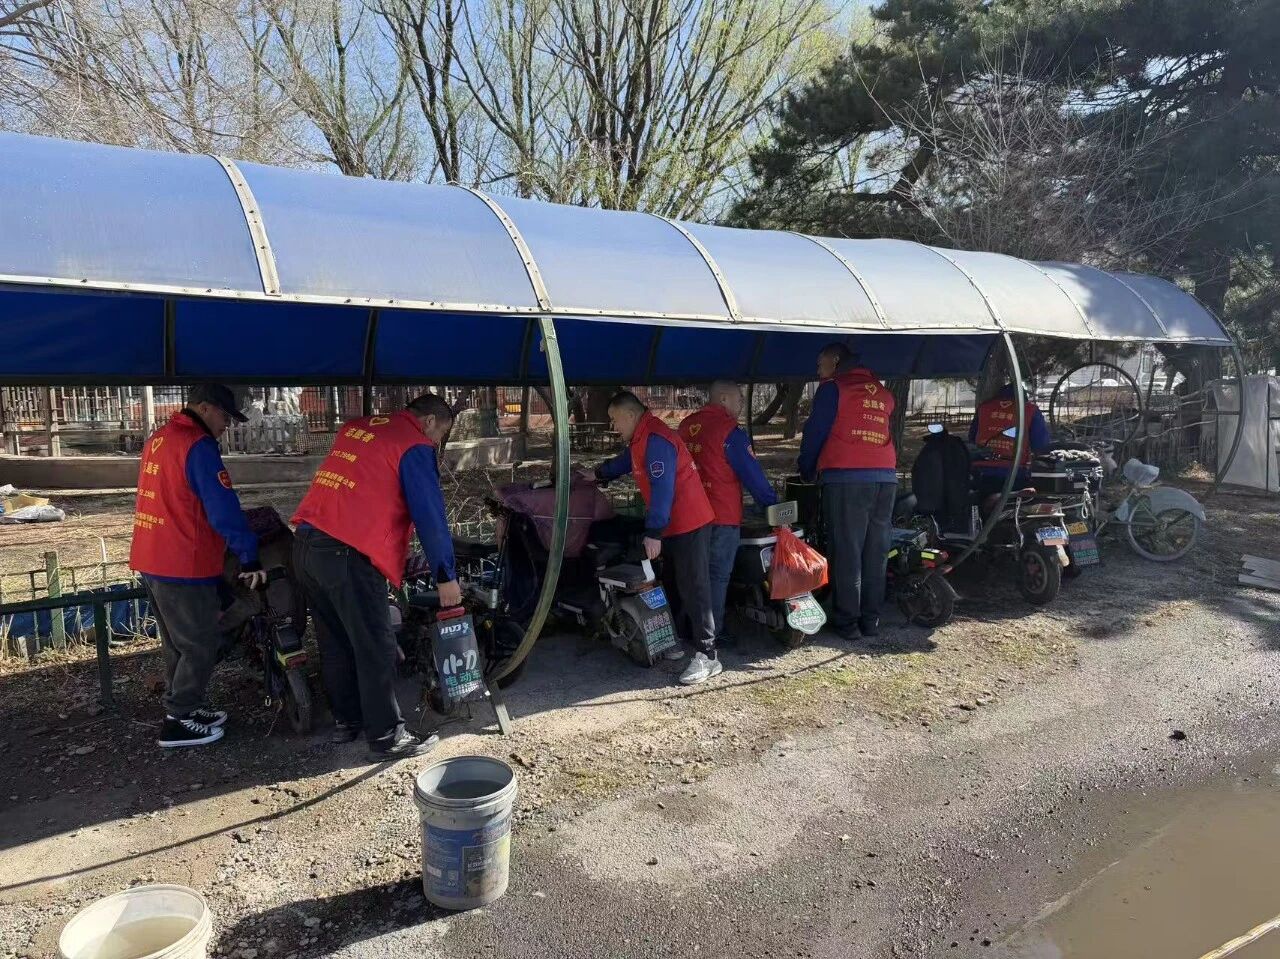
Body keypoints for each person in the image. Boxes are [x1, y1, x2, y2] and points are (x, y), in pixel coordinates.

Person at [291, 393, 459, 760]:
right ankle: (386, 737)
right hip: (346, 554)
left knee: (336, 641)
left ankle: (347, 721)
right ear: (430, 422)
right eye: (439, 435)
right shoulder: (413, 444)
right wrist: (445, 575)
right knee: (376, 645)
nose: (436, 443)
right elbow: (430, 514)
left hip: (305, 545)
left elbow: (365, 487)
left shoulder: (358, 427)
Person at [129, 384, 264, 749]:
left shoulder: (160, 437)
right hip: (183, 562)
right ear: (204, 408)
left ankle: (184, 707)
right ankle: (178, 722)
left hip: (152, 556)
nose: (226, 425)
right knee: (200, 643)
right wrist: (248, 555)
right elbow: (222, 508)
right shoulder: (198, 445)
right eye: (224, 416)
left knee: (178, 643)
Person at [577, 392, 720, 685]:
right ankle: (677, 641)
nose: (613, 426)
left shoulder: (657, 439)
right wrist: (598, 473)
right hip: (674, 525)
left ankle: (708, 655)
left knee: (695, 587)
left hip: (690, 523)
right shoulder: (642, 437)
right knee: (675, 584)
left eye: (615, 420)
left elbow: (662, 488)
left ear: (630, 415)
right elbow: (627, 461)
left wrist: (653, 532)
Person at [797, 344, 897, 641]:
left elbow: (815, 432)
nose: (818, 370)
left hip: (847, 478)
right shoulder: (883, 393)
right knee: (876, 551)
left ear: (836, 361)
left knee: (847, 551)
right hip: (886, 478)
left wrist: (806, 468)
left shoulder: (833, 389)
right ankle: (871, 619)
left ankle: (847, 622)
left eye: (821, 363)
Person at [679, 380, 778, 645]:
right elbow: (753, 476)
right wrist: (772, 504)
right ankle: (712, 634)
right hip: (721, 516)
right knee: (717, 576)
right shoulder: (729, 432)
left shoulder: (686, 426)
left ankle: (688, 627)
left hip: (688, 516)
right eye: (739, 399)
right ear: (723, 399)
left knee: (692, 575)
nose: (741, 404)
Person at [969, 383, 1052, 496]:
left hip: (980, 470)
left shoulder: (984, 407)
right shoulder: (1030, 409)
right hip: (1014, 472)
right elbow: (1041, 444)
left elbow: (972, 438)